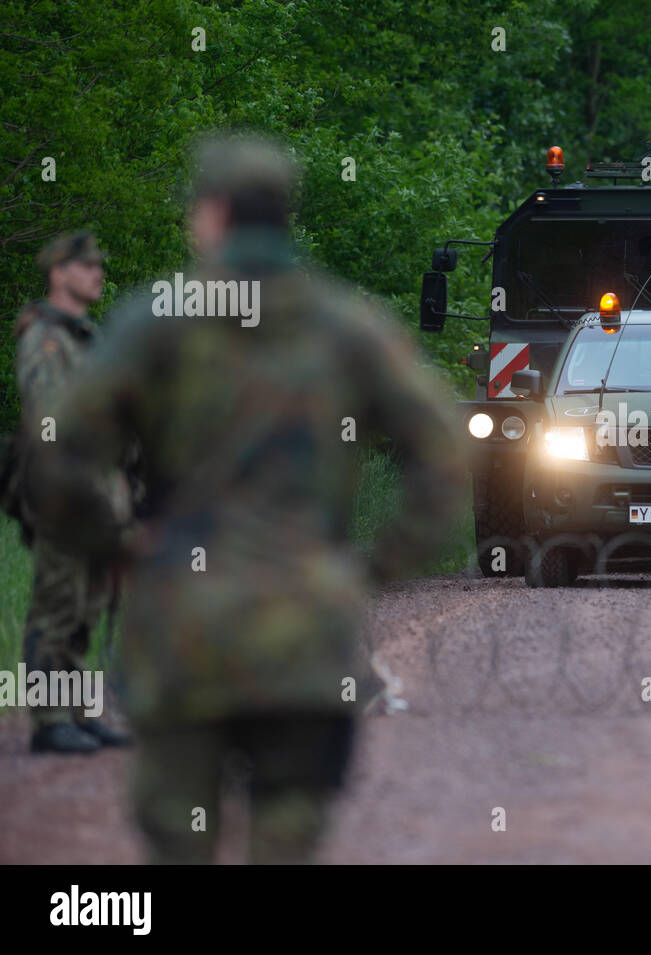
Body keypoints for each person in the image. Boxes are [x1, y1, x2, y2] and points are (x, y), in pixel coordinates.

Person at [26, 135, 467, 862]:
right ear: (282, 214)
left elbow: (60, 453)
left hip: (181, 629)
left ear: (212, 214)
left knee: (178, 842)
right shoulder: (346, 324)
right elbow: (445, 457)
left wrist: (117, 546)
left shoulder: (156, 322)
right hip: (306, 634)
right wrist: (368, 570)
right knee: (287, 841)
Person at [11, 231, 132, 754]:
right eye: (87, 266)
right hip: (63, 491)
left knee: (87, 607)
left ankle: (79, 712)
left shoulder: (87, 337)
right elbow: (48, 420)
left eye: (98, 266)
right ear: (59, 273)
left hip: (101, 491)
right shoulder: (45, 337)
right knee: (57, 607)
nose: (98, 274)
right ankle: (47, 720)